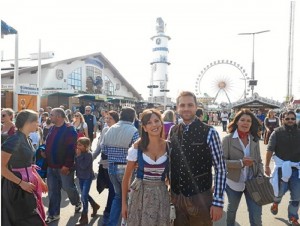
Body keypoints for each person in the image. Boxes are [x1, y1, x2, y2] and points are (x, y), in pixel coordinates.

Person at [168, 91, 226, 226]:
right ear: (177, 108)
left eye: (190, 105)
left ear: (196, 106)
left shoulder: (209, 132)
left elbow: (221, 169)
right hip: (177, 197)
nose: (186, 108)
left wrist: (218, 202)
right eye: (182, 105)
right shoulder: (173, 130)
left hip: (200, 197)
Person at [122, 109, 170, 225]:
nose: (154, 125)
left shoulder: (169, 147)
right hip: (140, 194)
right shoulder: (137, 148)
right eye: (149, 122)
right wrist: (124, 204)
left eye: (156, 121)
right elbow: (126, 178)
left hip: (161, 195)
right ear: (144, 127)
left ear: (161, 123)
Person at [1, 109, 48, 226]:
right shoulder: (14, 140)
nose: (38, 124)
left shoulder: (27, 138)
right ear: (28, 123)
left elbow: (29, 165)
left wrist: (40, 181)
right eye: (36, 121)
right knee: (25, 220)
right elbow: (1, 167)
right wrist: (21, 183)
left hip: (28, 185)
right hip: (16, 188)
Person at [222, 109, 264, 226]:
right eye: (242, 120)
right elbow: (221, 162)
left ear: (252, 124)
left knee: (256, 214)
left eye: (248, 121)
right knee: (232, 211)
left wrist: (260, 174)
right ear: (236, 122)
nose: (245, 123)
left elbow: (259, 160)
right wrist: (240, 163)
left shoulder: (254, 140)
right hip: (234, 183)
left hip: (253, 182)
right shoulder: (228, 140)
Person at [101, 107, 140, 226]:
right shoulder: (134, 131)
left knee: (118, 196)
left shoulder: (110, 129)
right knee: (130, 198)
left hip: (111, 167)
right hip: (126, 169)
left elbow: (104, 148)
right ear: (133, 117)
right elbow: (136, 151)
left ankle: (112, 223)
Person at [44, 108, 81, 224]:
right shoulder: (53, 128)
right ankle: (53, 214)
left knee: (68, 187)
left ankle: (77, 202)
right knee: (53, 191)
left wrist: (67, 165)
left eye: (52, 115)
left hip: (64, 166)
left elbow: (71, 149)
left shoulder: (70, 130)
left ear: (59, 116)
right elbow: (48, 143)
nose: (50, 117)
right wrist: (44, 151)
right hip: (51, 166)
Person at [265, 110, 300, 225]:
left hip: (296, 169)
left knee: (296, 195)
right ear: (282, 120)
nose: (290, 121)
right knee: (278, 192)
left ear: (295, 120)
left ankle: (293, 217)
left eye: (292, 119)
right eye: (287, 118)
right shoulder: (277, 133)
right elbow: (270, 149)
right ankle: (276, 203)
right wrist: (267, 166)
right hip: (281, 169)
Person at [93, 110, 119, 225]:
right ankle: (111, 211)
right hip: (104, 163)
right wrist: (92, 158)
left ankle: (108, 213)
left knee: (113, 191)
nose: (107, 120)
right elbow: (100, 146)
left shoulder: (119, 130)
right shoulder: (104, 129)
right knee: (109, 187)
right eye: (106, 118)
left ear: (116, 120)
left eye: (110, 118)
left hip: (115, 164)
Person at [75, 137, 100, 226]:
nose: (78, 146)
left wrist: (78, 156)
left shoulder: (89, 155)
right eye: (77, 144)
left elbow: (83, 166)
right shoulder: (79, 153)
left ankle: (84, 217)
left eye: (80, 145)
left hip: (87, 177)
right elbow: (76, 165)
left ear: (86, 146)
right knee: (84, 195)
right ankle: (95, 205)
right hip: (80, 177)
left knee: (83, 196)